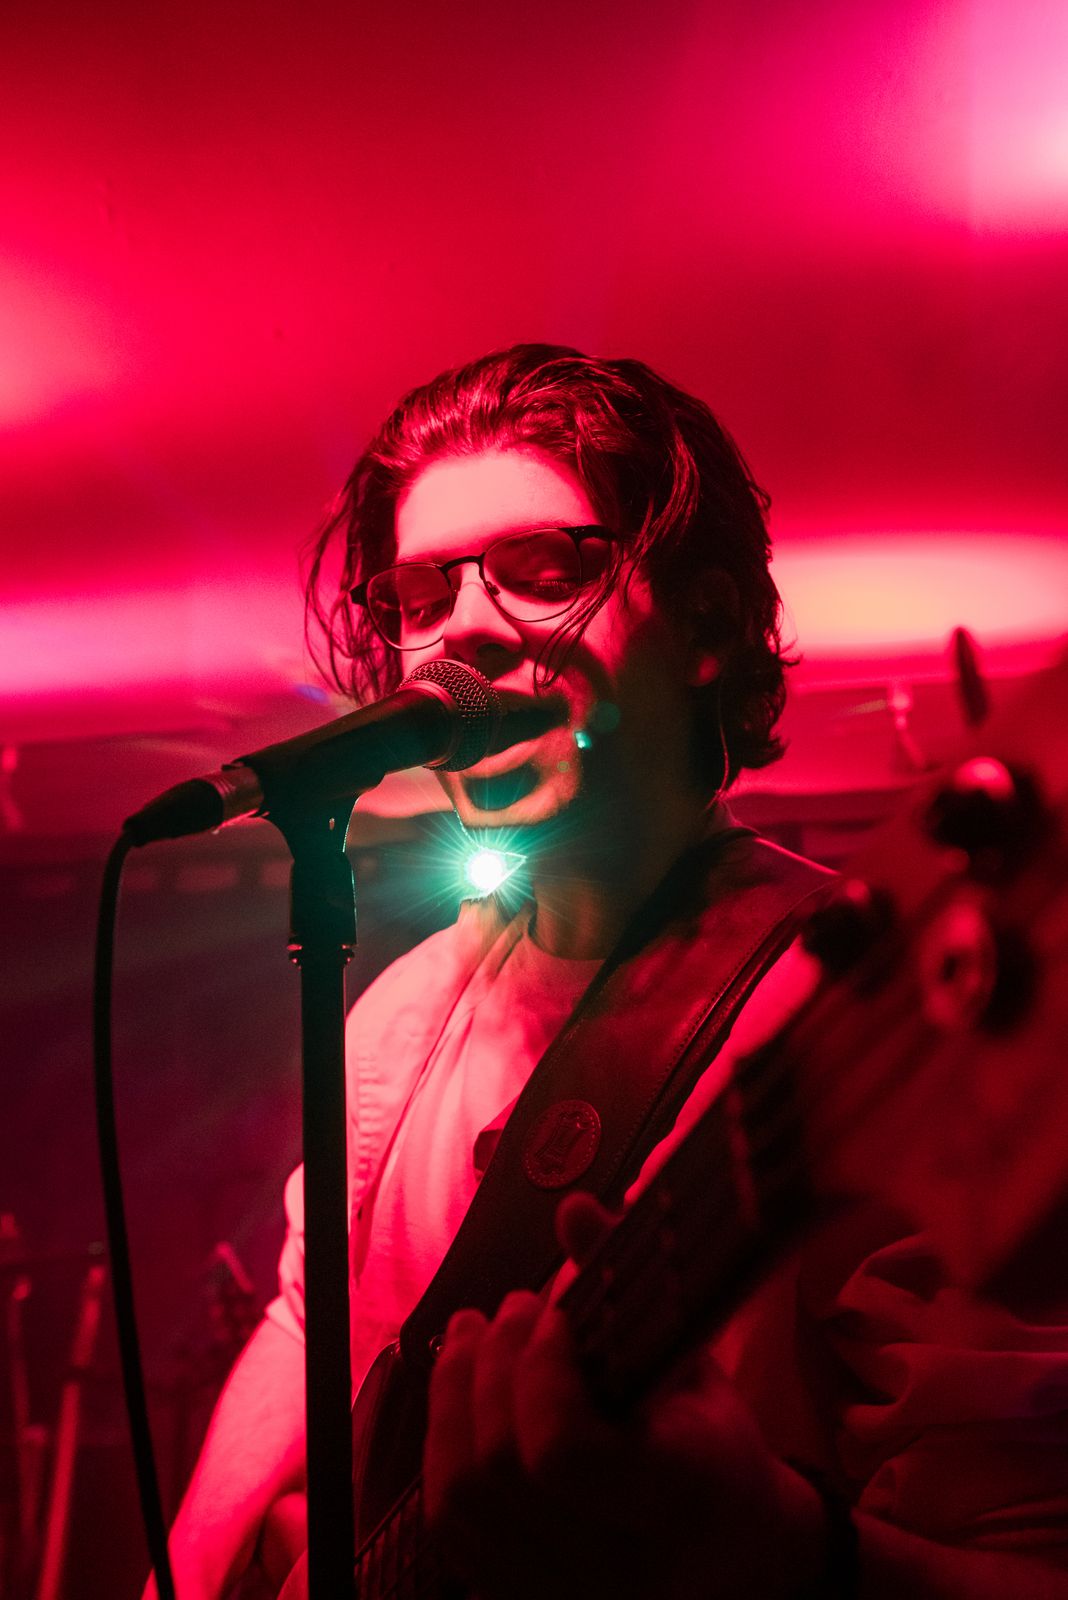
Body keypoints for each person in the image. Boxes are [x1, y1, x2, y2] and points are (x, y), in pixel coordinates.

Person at [149, 346, 1068, 1599]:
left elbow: (1027, 1548)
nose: (464, 629)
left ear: (706, 624)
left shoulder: (852, 1006)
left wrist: (770, 1540)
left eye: (546, 568)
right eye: (419, 595)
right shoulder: (398, 1015)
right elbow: (310, 1314)